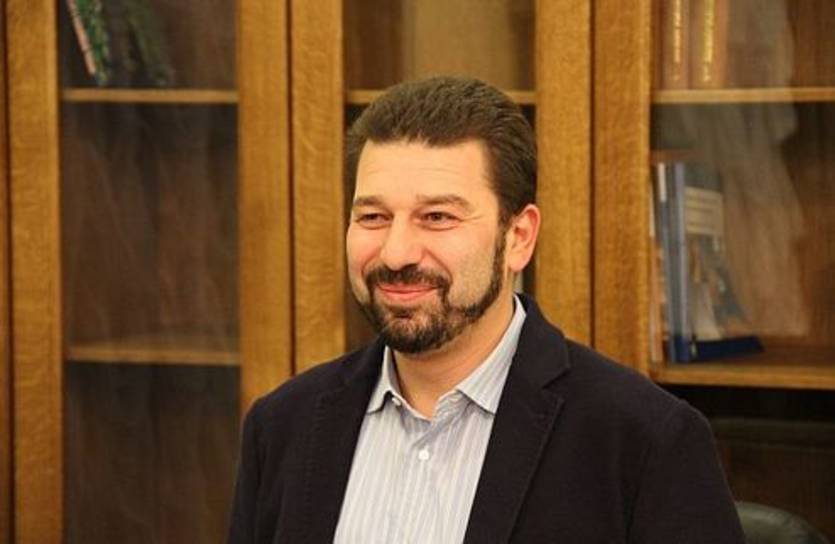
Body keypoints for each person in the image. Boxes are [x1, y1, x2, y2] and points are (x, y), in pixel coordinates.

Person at [227, 76, 745, 543]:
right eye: (373, 217)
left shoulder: (645, 441)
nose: (396, 253)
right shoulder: (281, 427)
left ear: (518, 237)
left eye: (437, 217)